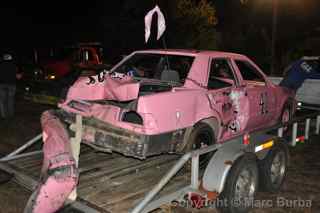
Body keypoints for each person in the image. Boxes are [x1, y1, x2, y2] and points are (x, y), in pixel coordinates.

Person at [0, 53, 19, 118]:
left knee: (2, 101)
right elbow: (18, 76)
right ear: (10, 58)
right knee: (10, 100)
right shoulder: (14, 66)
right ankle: (11, 115)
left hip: (2, 84)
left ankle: (4, 115)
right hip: (12, 84)